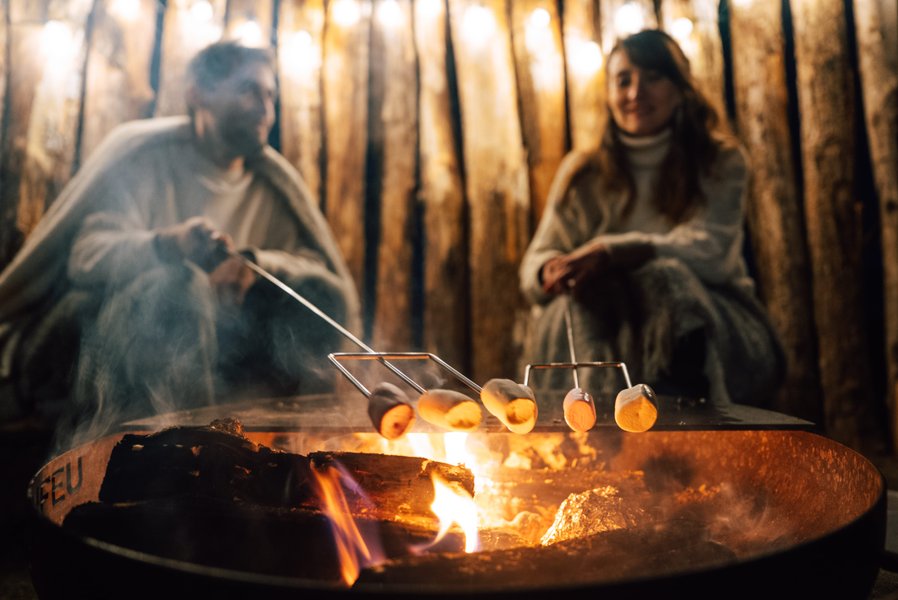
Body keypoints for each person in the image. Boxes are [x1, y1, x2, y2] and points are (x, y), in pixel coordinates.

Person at [0, 41, 360, 431]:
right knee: (179, 288)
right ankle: (184, 450)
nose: (265, 108)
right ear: (198, 94)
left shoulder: (272, 186)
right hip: (95, 344)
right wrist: (166, 244)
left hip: (220, 358)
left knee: (325, 294)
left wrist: (255, 264)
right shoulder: (145, 158)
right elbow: (86, 257)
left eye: (270, 95)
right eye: (248, 90)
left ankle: (294, 445)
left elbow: (314, 268)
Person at [519, 29, 784, 406]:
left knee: (665, 277)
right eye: (623, 80)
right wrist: (551, 269)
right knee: (583, 296)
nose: (635, 93)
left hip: (710, 324)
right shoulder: (583, 172)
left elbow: (711, 251)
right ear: (608, 94)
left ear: (680, 88)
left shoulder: (719, 161)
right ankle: (593, 424)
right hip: (606, 324)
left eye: (653, 77)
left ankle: (686, 417)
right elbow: (536, 261)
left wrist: (614, 252)